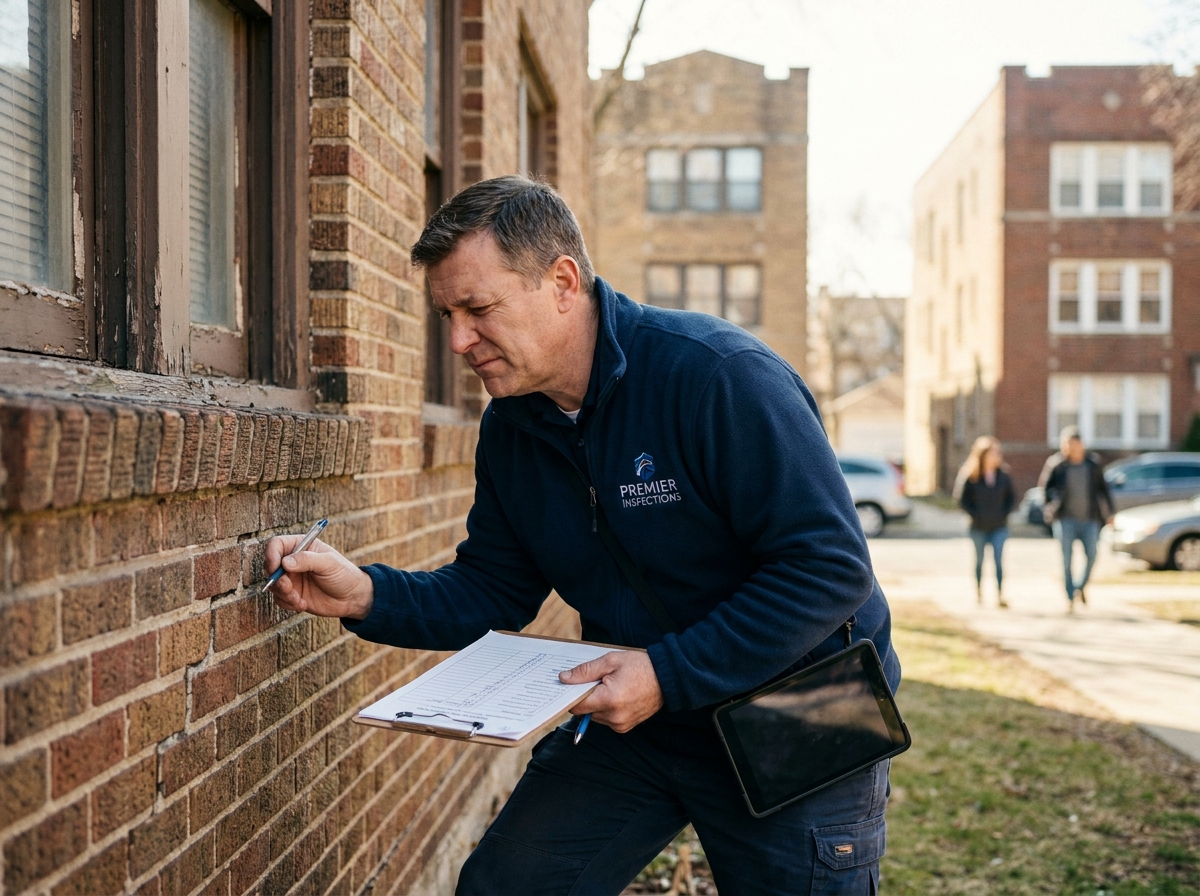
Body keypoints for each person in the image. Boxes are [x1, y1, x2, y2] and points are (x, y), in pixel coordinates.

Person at [265, 176, 900, 895]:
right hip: (638, 720)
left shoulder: (718, 377)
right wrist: (365, 595)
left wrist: (666, 674)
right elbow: (493, 589)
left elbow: (828, 568)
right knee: (504, 888)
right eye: (447, 315)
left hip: (799, 704)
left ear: (562, 282)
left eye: (478, 309)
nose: (459, 340)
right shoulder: (512, 427)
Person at [1042, 429, 1114, 613]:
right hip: (1065, 519)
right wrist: (1052, 503)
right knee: (1066, 559)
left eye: (1075, 445)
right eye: (1068, 445)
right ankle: (1069, 596)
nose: (1071, 448)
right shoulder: (1057, 464)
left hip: (1090, 519)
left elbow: (1103, 489)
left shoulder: (1093, 464)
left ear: (1081, 445)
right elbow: (1046, 489)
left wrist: (1110, 512)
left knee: (1092, 555)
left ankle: (1079, 587)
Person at [954, 436, 1015, 608]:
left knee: (998, 561)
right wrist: (975, 514)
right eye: (993, 453)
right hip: (978, 526)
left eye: (998, 453)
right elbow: (961, 499)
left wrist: (1003, 514)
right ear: (983, 455)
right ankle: (979, 592)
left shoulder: (1003, 475)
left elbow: (1011, 498)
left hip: (999, 526)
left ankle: (1000, 594)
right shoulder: (971, 475)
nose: (997, 456)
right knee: (979, 560)